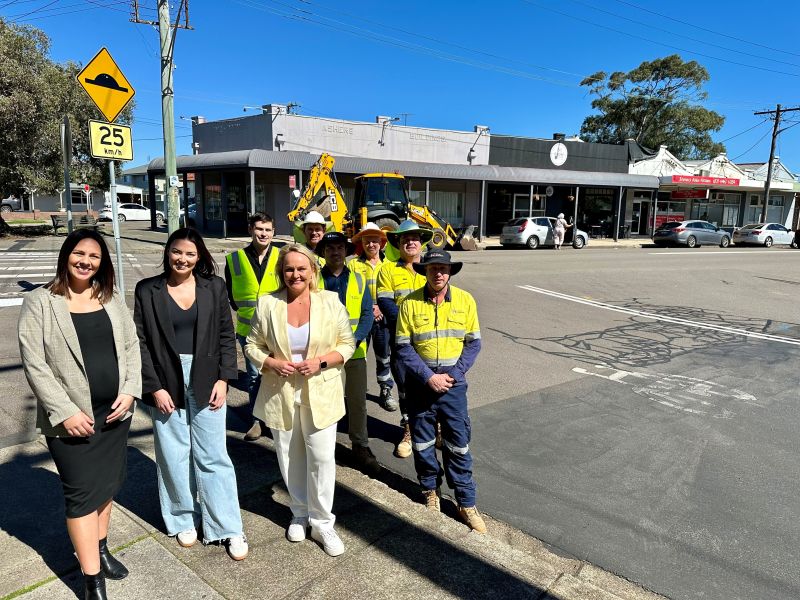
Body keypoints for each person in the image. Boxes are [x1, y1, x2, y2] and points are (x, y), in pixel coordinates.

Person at [18, 229, 141, 600]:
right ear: (66, 255)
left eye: (94, 257)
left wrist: (130, 390)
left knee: (106, 487)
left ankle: (100, 551)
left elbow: (131, 345)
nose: (86, 262)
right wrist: (65, 411)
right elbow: (34, 362)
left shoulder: (110, 297)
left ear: (102, 263)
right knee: (81, 496)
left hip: (115, 414)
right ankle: (91, 582)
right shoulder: (41, 301)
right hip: (72, 420)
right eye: (79, 253)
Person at [134, 228, 248, 561]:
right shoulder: (147, 290)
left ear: (200, 257)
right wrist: (152, 386)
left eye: (190, 253)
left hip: (208, 376)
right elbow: (139, 342)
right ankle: (183, 518)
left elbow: (227, 335)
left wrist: (225, 378)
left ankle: (226, 526)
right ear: (167, 252)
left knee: (214, 455)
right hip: (165, 378)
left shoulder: (214, 287)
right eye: (177, 251)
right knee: (173, 452)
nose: (182, 259)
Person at [244, 244, 355, 557]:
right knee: (289, 455)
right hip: (281, 389)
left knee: (321, 458)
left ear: (312, 272)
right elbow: (252, 345)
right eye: (289, 268)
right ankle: (299, 513)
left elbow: (347, 344)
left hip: (321, 388)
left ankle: (322, 522)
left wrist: (320, 362)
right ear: (282, 272)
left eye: (301, 268)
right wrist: (271, 362)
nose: (295, 274)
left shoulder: (330, 302)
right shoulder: (267, 304)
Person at [395, 248, 486, 533]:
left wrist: (453, 375)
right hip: (420, 387)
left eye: (443, 269)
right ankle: (430, 492)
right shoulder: (409, 304)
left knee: (458, 445)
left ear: (449, 272)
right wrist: (427, 377)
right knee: (422, 445)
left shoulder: (465, 300)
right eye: (433, 268)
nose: (438, 273)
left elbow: (474, 343)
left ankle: (465, 502)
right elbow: (402, 346)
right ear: (425, 271)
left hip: (453, 388)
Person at [317, 231, 378, 474]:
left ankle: (360, 446)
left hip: (354, 354)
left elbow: (366, 315)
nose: (335, 252)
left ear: (346, 251)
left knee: (357, 402)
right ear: (323, 252)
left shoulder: (360, 280)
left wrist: (353, 341)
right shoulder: (314, 281)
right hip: (322, 354)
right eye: (330, 248)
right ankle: (324, 446)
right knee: (324, 402)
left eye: (340, 247)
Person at [376, 220, 433, 458]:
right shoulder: (387, 270)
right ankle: (408, 431)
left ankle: (434, 430)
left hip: (431, 342)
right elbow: (386, 302)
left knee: (432, 387)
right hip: (402, 342)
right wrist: (410, 327)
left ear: (421, 243)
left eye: (415, 238)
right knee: (406, 390)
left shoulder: (432, 266)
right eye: (405, 239)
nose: (410, 242)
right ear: (398, 244)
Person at [225, 212, 282, 441]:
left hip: (278, 329)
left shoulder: (282, 255)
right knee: (254, 377)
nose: (264, 234)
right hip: (249, 332)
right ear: (251, 230)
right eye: (259, 229)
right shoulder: (234, 259)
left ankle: (277, 418)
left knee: (279, 375)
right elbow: (231, 296)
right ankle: (258, 421)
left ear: (273, 232)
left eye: (268, 230)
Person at [348, 223, 395, 410]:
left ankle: (386, 389)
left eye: (375, 241)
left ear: (381, 243)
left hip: (383, 319)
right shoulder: (352, 265)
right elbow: (351, 292)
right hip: (361, 319)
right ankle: (356, 393)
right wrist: (370, 309)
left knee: (384, 355)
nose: (371, 245)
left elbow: (392, 292)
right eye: (367, 241)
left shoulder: (389, 266)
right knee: (358, 356)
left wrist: (381, 309)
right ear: (362, 243)